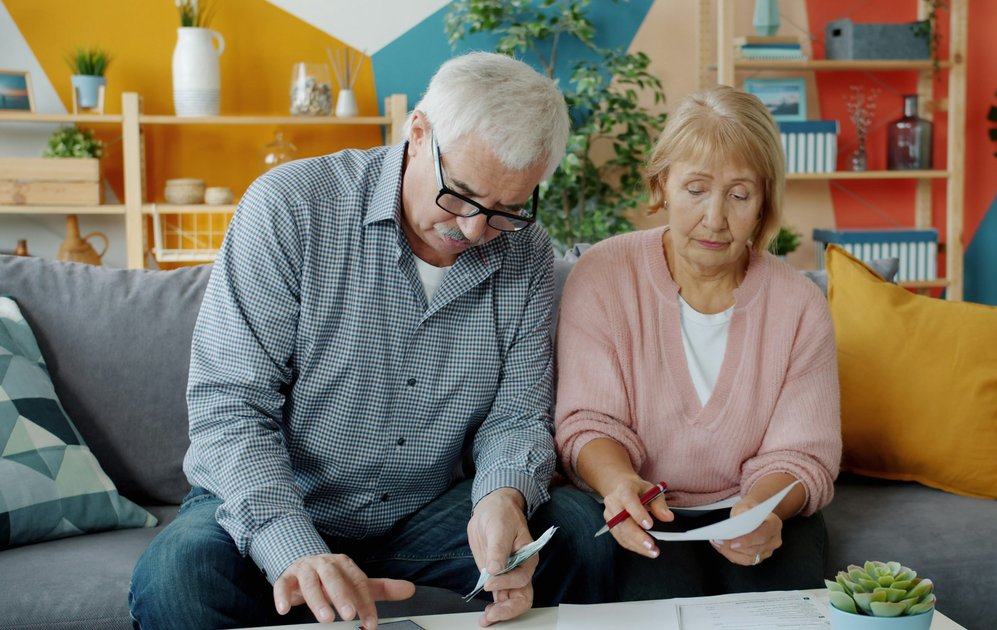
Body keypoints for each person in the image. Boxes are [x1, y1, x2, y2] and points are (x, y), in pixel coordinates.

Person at [129, 52, 613, 630]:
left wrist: (502, 498)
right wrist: (295, 551)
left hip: (422, 514)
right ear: (418, 132)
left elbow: (516, 414)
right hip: (280, 504)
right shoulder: (290, 208)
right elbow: (230, 407)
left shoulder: (527, 253)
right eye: (459, 194)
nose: (475, 231)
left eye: (507, 209)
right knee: (178, 578)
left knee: (580, 534)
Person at [554, 85, 841, 599]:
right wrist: (620, 483)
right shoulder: (602, 275)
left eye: (739, 194)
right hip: (645, 507)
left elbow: (803, 456)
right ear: (662, 183)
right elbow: (586, 422)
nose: (714, 218)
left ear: (763, 203)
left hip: (758, 507)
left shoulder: (800, 305)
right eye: (695, 189)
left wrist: (762, 510)